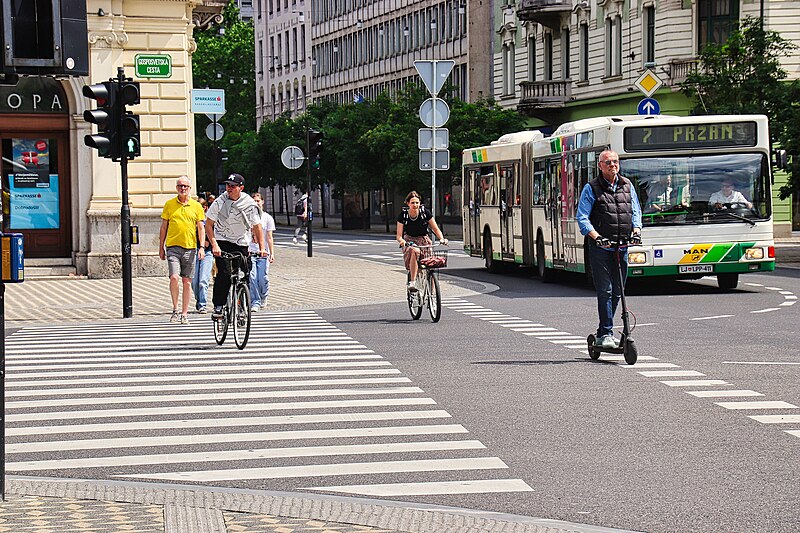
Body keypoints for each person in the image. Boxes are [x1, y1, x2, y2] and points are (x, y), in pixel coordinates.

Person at [576, 150, 642, 350]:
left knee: (618, 292)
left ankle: (604, 331)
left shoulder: (627, 185)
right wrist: (597, 237)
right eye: (608, 162)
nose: (612, 165)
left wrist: (637, 230)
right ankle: (605, 333)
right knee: (606, 290)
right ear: (600, 166)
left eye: (615, 161)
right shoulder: (591, 188)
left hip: (622, 245)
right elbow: (582, 217)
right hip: (601, 248)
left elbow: (635, 211)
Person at [205, 173, 268, 319]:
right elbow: (209, 224)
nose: (229, 188)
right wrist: (214, 245)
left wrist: (262, 248)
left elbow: (257, 227)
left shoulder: (249, 204)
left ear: (241, 188)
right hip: (222, 241)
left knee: (246, 273)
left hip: (241, 242)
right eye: (228, 185)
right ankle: (219, 306)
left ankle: (241, 305)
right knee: (225, 274)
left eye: (233, 186)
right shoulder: (220, 202)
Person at [159, 176, 206, 325]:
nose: (182, 188)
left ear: (190, 188)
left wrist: (202, 247)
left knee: (187, 281)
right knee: (174, 277)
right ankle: (175, 309)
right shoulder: (169, 204)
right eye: (180, 186)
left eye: (185, 186)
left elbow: (200, 227)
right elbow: (164, 226)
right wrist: (161, 246)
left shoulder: (196, 206)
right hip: (173, 246)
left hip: (190, 247)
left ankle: (184, 313)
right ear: (176, 188)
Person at [396, 191, 448, 292]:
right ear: (408, 203)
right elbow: (399, 236)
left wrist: (442, 238)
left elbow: (436, 229)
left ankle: (432, 295)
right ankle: (413, 282)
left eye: (417, 202)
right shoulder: (403, 215)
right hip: (409, 240)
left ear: (420, 203)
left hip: (424, 240)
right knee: (415, 251)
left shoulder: (425, 213)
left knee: (430, 265)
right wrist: (402, 241)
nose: (415, 205)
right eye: (412, 203)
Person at [248, 192, 275, 313]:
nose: (256, 203)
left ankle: (264, 295)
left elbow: (269, 237)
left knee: (262, 278)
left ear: (262, 202)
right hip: (251, 251)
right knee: (252, 277)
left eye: (258, 201)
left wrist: (272, 253)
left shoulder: (267, 218)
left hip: (263, 253)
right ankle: (255, 301)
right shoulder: (248, 217)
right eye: (254, 201)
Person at [191, 197, 214, 313]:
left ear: (205, 208)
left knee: (203, 280)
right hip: (193, 251)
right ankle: (198, 298)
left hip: (207, 252)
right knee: (194, 282)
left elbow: (214, 234)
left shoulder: (209, 221)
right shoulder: (192, 221)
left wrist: (209, 242)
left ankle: (202, 304)